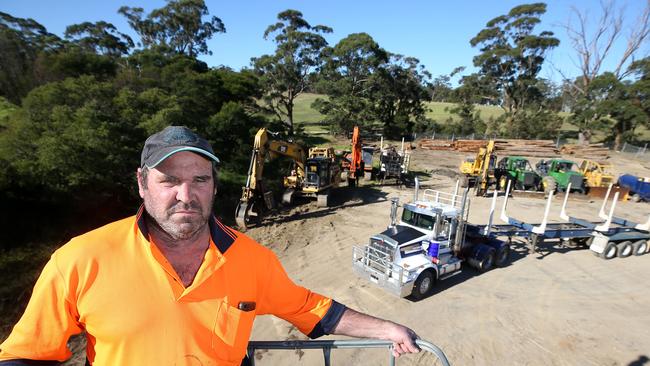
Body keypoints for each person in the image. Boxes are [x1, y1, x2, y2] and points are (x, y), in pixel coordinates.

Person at [0, 126, 420, 366]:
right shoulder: (81, 259)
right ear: (142, 184)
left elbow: (311, 308)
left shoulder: (252, 260)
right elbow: (27, 355)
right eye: (168, 180)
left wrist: (386, 328)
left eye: (199, 179)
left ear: (215, 186)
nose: (186, 194)